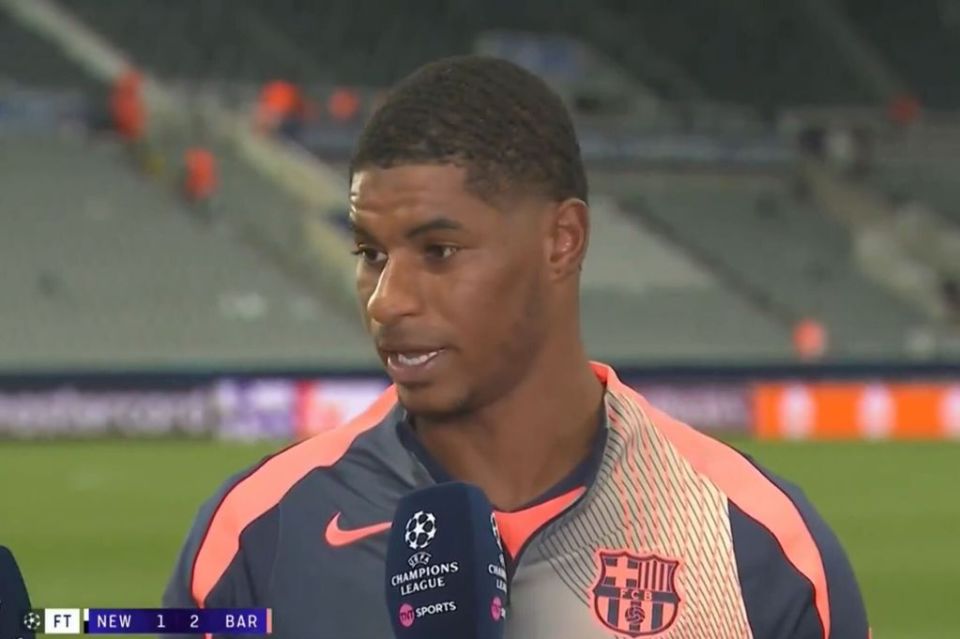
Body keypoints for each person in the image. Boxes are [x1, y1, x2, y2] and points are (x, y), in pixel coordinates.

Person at [164, 56, 869, 638]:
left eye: (439, 251)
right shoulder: (257, 534)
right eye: (371, 254)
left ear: (562, 241)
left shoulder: (759, 548)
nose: (387, 301)